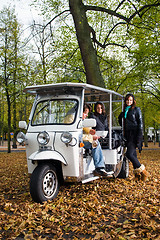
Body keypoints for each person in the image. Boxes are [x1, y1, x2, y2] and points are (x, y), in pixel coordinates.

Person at [118, 93, 149, 181]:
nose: (129, 101)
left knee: (129, 154)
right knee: (133, 155)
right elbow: (122, 122)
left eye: (130, 100)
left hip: (134, 134)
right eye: (127, 100)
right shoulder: (124, 111)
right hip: (127, 135)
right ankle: (137, 176)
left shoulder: (136, 110)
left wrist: (139, 138)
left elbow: (140, 124)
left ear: (133, 101)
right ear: (125, 101)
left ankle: (144, 172)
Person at [82, 104, 109, 177]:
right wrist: (91, 137)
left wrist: (91, 132)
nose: (86, 115)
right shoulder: (74, 119)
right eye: (85, 113)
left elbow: (86, 129)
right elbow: (78, 135)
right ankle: (99, 167)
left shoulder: (82, 120)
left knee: (95, 142)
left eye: (87, 113)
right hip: (78, 141)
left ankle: (99, 167)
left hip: (84, 139)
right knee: (95, 143)